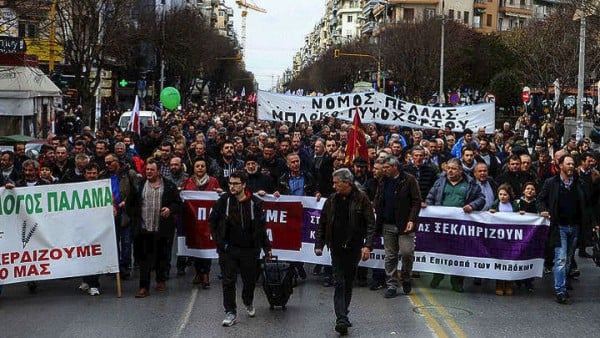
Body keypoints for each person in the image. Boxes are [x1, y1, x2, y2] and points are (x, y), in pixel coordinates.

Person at [315, 168, 376, 335]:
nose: (334, 186)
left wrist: (367, 246)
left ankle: (344, 312)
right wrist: (319, 244)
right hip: (335, 246)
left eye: (337, 183)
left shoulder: (361, 199)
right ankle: (340, 318)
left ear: (347, 182)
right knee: (339, 282)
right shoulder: (332, 200)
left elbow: (371, 224)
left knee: (348, 281)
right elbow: (323, 223)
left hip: (354, 247)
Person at [209, 171, 272, 327]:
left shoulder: (255, 203)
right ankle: (230, 312)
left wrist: (267, 247)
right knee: (228, 280)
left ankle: (247, 299)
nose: (232, 186)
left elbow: (261, 227)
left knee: (249, 280)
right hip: (228, 249)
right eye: (230, 183)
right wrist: (220, 242)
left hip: (249, 249)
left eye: (236, 183)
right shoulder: (223, 201)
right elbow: (213, 222)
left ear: (244, 185)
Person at [537, 154, 592, 304]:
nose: (571, 167)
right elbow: (540, 199)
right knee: (560, 259)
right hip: (559, 226)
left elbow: (587, 203)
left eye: (573, 164)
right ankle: (560, 290)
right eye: (568, 164)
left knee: (568, 259)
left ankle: (564, 283)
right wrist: (543, 209)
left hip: (574, 226)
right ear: (560, 166)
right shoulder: (551, 183)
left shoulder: (579, 183)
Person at [424, 158, 485, 292]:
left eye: (453, 168)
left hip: (461, 225)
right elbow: (430, 197)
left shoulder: (470, 183)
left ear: (460, 170)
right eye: (448, 168)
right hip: (442, 225)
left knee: (459, 252)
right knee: (440, 251)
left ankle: (457, 281)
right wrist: (427, 206)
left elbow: (481, 198)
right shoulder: (440, 181)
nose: (449, 171)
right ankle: (438, 275)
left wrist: (472, 205)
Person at [133, 159, 182, 298]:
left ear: (158, 171)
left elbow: (178, 203)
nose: (148, 172)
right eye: (147, 169)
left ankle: (161, 279)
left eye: (152, 170)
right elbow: (132, 202)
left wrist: (170, 209)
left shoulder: (169, 186)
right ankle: (143, 287)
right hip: (144, 228)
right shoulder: (140, 185)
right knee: (144, 259)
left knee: (162, 255)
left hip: (162, 228)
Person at [374, 155, 421, 298]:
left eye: (387, 167)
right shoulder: (383, 181)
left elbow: (416, 201)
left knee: (407, 253)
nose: (384, 170)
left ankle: (406, 277)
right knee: (390, 256)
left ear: (395, 167)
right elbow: (379, 198)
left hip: (404, 224)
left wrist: (411, 219)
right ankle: (391, 284)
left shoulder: (409, 180)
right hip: (387, 223)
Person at [180, 157, 222, 287]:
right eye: (197, 166)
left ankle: (206, 274)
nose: (200, 168)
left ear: (206, 168)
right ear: (194, 168)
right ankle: (198, 272)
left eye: (202, 166)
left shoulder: (213, 181)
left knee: (207, 246)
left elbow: (219, 199)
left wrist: (219, 193)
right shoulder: (187, 182)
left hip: (209, 221)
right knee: (196, 247)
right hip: (193, 221)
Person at [101, 153, 139, 279]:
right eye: (105, 163)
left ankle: (125, 266)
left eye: (110, 162)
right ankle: (115, 265)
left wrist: (126, 202)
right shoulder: (103, 175)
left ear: (117, 161)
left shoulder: (129, 174)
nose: (107, 165)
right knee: (113, 241)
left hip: (125, 212)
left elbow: (136, 191)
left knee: (126, 241)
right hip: (109, 212)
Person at [488, 184, 519, 296]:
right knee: (499, 261)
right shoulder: (495, 204)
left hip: (511, 239)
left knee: (511, 260)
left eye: (505, 194)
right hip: (499, 238)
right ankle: (499, 284)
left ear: (509, 195)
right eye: (500, 194)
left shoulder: (514, 205)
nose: (502, 197)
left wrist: (521, 214)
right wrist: (490, 212)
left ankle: (509, 283)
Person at [78, 163, 103, 296]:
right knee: (83, 254)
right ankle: (86, 280)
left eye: (94, 173)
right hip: (83, 227)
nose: (92, 175)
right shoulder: (79, 188)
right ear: (85, 174)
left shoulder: (102, 187)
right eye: (89, 173)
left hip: (98, 227)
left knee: (95, 255)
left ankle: (94, 284)